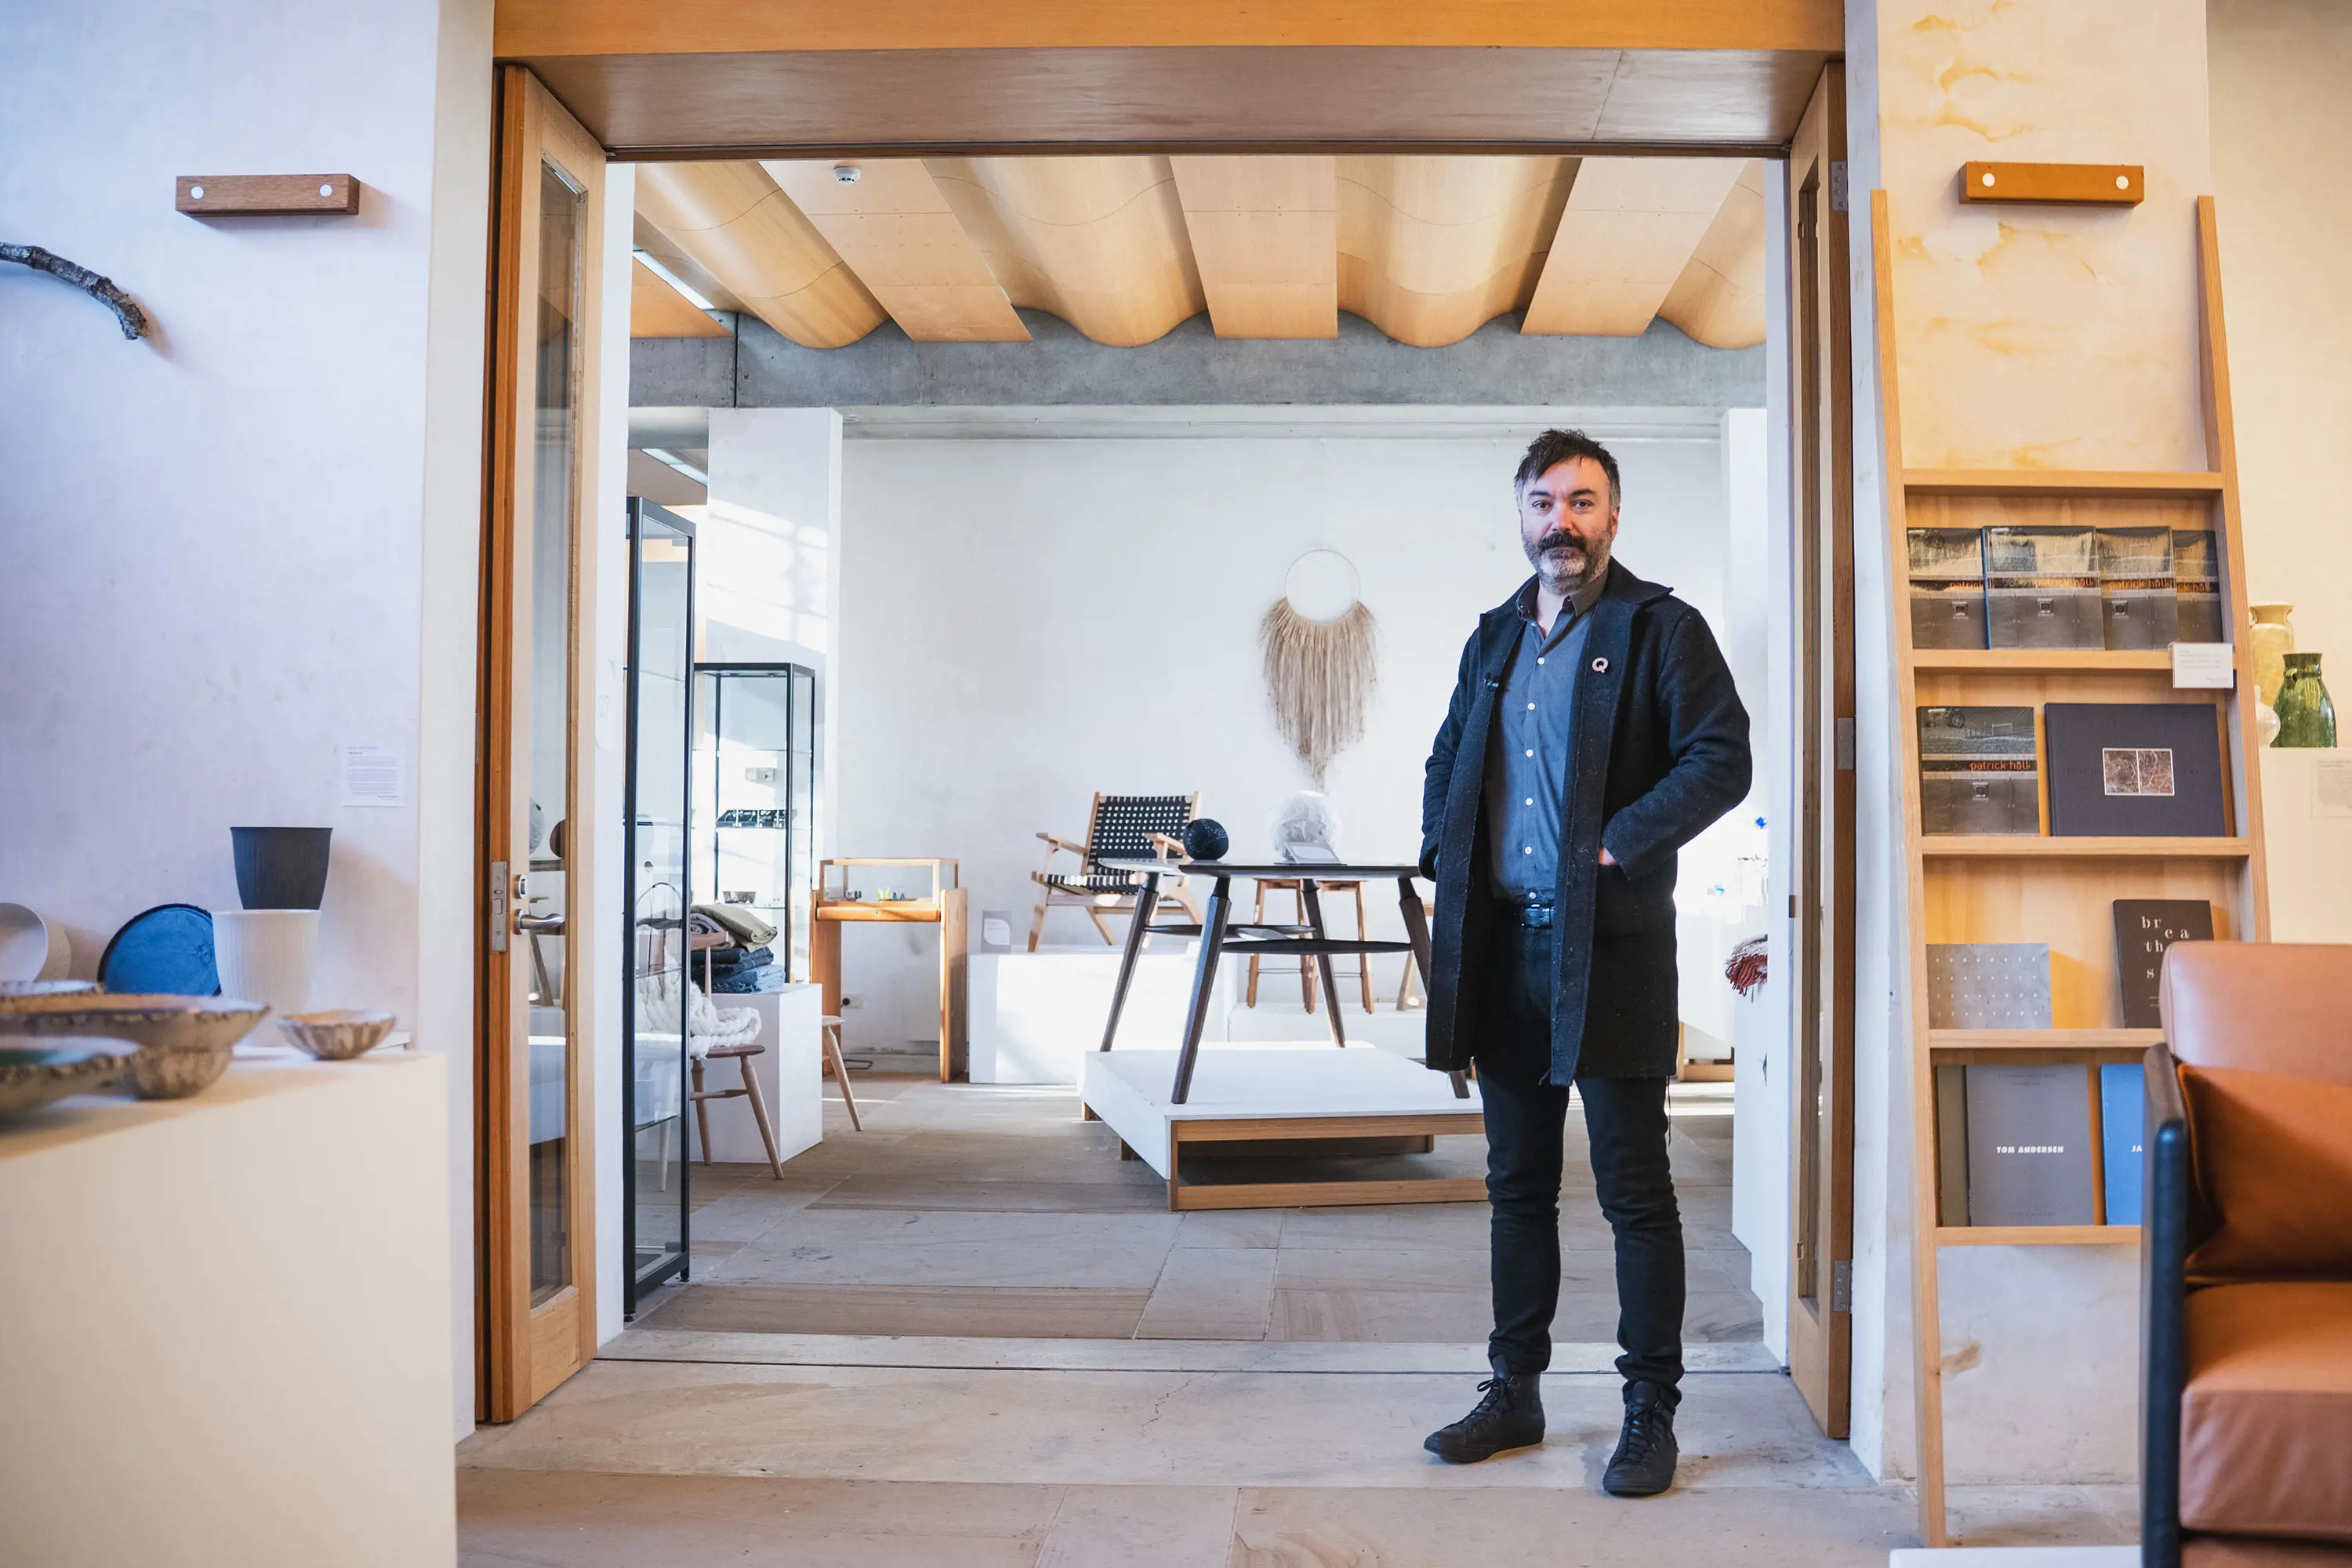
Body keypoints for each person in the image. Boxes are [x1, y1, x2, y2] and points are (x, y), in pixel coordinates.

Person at [1417, 429, 1751, 1495]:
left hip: (1610, 951)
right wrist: (1439, 847)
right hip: (1501, 948)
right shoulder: (1493, 637)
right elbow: (1447, 755)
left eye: (1582, 501)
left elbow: (1722, 757)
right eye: (1544, 502)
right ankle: (1515, 1391)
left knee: (1633, 1190)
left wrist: (1617, 843)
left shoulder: (1661, 628)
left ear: (1612, 515)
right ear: (1520, 514)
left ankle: (1649, 1410)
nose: (1561, 521)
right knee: (1516, 1186)